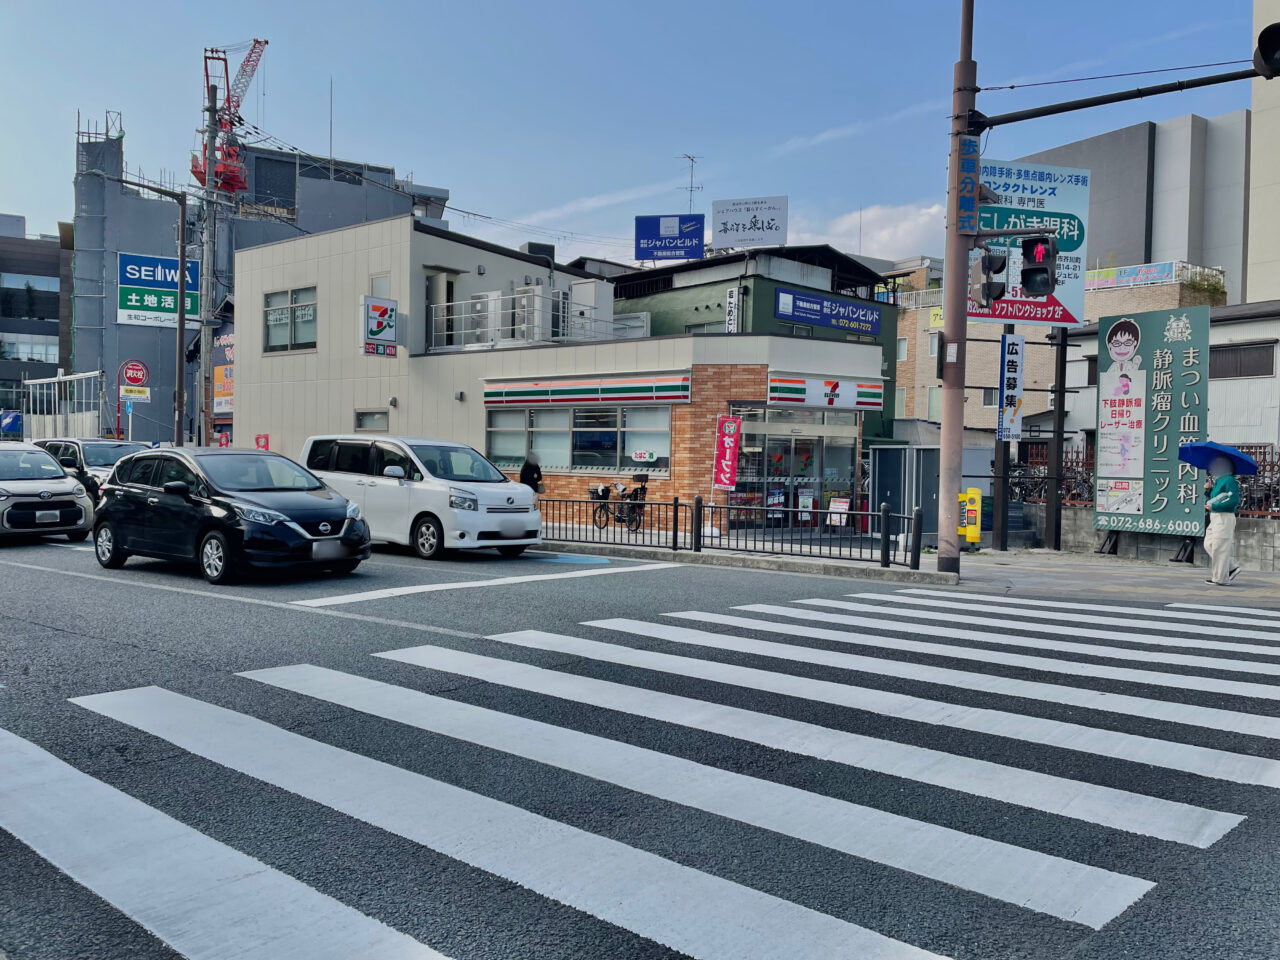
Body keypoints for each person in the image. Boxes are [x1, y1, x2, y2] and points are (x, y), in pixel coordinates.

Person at [1202, 454, 1241, 585]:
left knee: (1220, 547)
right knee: (1209, 544)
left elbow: (1233, 500)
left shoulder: (1230, 480)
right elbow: (1216, 498)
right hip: (1216, 516)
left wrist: (1215, 506)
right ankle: (1231, 567)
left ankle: (1221, 579)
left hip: (1224, 516)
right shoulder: (1219, 481)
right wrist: (1208, 491)